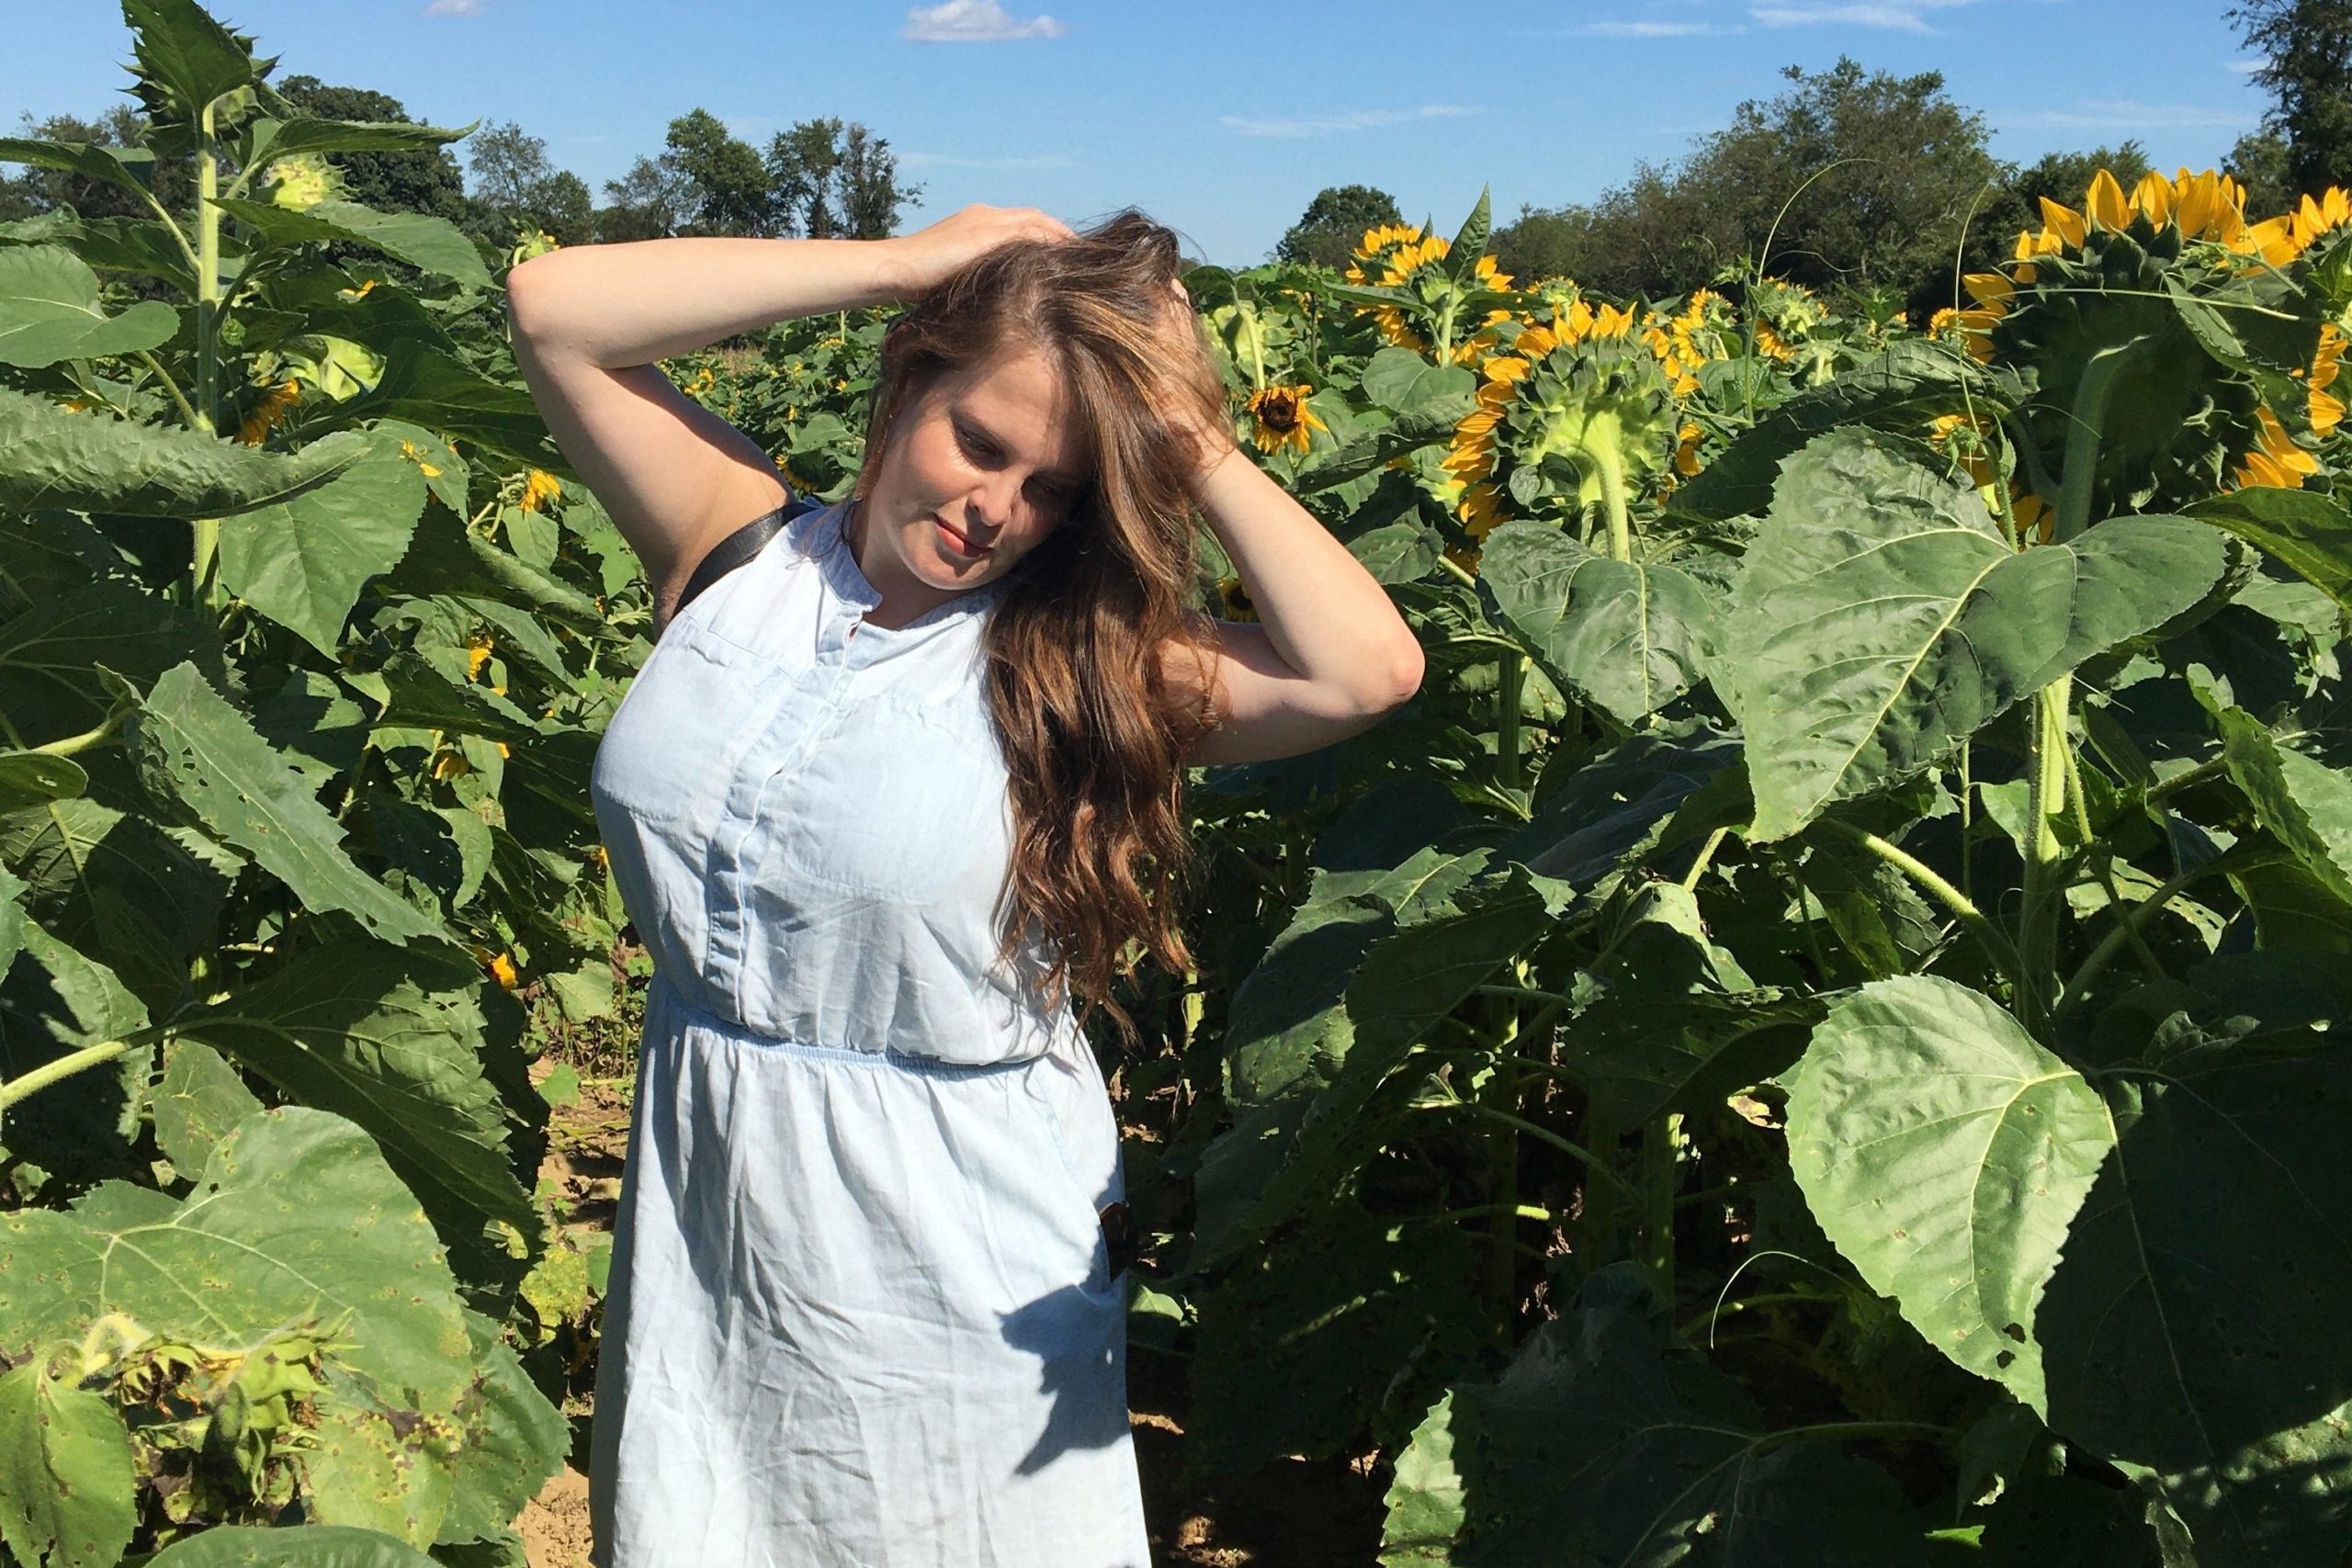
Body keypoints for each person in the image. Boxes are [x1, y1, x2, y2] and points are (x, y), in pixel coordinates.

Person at [505, 204, 1424, 1568]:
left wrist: (1190, 434)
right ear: (907, 382)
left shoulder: (1077, 662)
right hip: (711, 1165)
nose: (997, 507)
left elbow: (1365, 670)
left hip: (944, 1229)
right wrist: (902, 263)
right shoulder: (740, 553)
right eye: (978, 441)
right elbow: (552, 306)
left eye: (1049, 486)